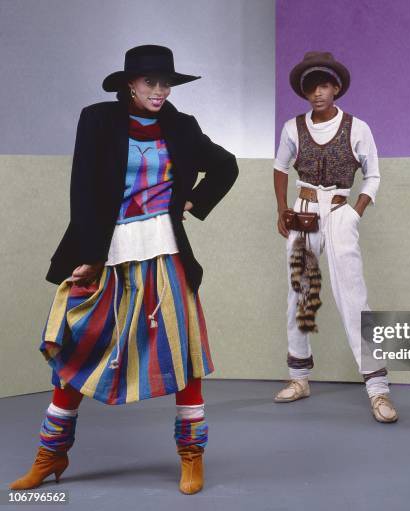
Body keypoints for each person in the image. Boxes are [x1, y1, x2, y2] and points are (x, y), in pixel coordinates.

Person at [9, 45, 238, 494]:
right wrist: (90, 255)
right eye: (151, 82)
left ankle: (192, 455)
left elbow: (225, 167)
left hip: (166, 253)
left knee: (181, 353)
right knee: (78, 346)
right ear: (129, 85)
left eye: (166, 83)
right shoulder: (97, 120)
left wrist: (193, 201)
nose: (159, 91)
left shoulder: (183, 126)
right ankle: (50, 454)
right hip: (107, 251)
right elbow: (84, 190)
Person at [273, 51, 398, 423]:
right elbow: (280, 168)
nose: (317, 93)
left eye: (324, 85)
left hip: (340, 209)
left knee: (353, 294)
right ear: (303, 92)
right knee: (300, 292)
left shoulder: (357, 127)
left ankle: (378, 388)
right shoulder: (292, 127)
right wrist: (282, 208)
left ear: (337, 87)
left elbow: (373, 175)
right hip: (304, 208)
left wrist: (355, 211)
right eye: (311, 87)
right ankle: (298, 377)